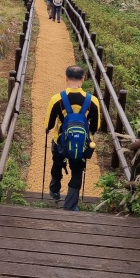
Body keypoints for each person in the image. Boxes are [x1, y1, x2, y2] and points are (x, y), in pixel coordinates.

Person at [45, 65, 101, 210]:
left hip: (60, 142)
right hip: (81, 145)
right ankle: (70, 206)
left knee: (57, 163)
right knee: (77, 171)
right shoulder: (92, 101)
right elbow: (95, 127)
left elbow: (49, 124)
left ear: (66, 78)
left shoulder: (57, 99)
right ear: (83, 79)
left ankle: (55, 190)